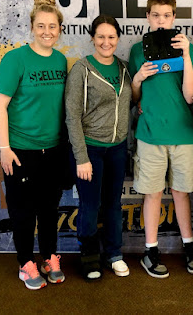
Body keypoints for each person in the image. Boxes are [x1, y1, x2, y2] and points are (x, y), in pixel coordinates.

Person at [0, 0, 66, 290]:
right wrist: (4, 148)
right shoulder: (15, 59)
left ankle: (49, 257)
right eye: (41, 26)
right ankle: (26, 262)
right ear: (32, 28)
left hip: (54, 150)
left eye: (52, 26)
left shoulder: (62, 60)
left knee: (49, 210)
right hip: (21, 150)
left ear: (60, 28)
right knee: (23, 212)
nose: (47, 31)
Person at [129, 0, 193, 278]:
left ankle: (189, 246)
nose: (161, 21)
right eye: (156, 15)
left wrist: (185, 54)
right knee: (153, 194)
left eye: (167, 15)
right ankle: (150, 250)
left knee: (182, 193)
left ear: (174, 17)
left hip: (182, 133)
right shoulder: (137, 49)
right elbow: (135, 98)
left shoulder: (188, 48)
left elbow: (190, 96)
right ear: (148, 17)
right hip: (150, 135)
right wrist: (138, 79)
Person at [65, 15, 132, 281]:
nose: (106, 42)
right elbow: (72, 115)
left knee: (113, 204)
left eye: (111, 37)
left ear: (118, 38)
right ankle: (89, 254)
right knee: (91, 205)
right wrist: (81, 157)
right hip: (90, 149)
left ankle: (114, 253)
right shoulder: (82, 69)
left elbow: (131, 101)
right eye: (101, 36)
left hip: (117, 148)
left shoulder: (124, 68)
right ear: (92, 38)